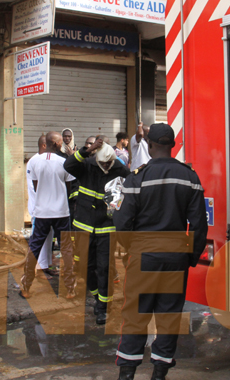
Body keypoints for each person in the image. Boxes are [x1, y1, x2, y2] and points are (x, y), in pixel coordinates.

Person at [113, 123, 207, 380]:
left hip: (144, 254)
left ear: (151, 145)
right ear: (172, 146)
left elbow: (122, 222)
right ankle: (159, 374)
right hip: (176, 256)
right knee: (168, 315)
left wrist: (132, 247)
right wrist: (191, 256)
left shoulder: (136, 177)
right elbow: (199, 224)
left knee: (135, 314)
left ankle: (127, 374)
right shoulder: (190, 177)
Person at [64, 137, 129, 325]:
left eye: (110, 163)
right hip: (84, 226)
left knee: (105, 268)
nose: (107, 166)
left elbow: (132, 184)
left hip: (106, 228)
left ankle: (103, 307)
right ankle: (97, 296)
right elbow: (68, 165)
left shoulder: (118, 168)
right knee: (86, 267)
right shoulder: (86, 165)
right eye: (103, 163)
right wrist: (87, 149)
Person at [21, 132, 77, 299]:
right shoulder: (64, 162)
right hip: (61, 212)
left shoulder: (34, 161)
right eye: (61, 142)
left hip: (42, 212)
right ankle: (70, 289)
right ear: (57, 144)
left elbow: (36, 187)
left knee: (34, 247)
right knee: (66, 249)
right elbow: (68, 188)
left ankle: (26, 287)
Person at [27, 135, 55, 275]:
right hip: (39, 208)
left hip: (47, 208)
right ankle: (37, 268)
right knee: (38, 240)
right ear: (44, 145)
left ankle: (45, 265)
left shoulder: (43, 160)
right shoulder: (36, 161)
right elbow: (36, 187)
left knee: (48, 237)